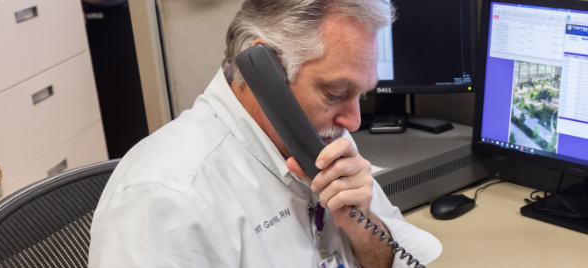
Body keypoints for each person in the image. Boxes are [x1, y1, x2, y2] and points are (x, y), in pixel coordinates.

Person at [87, 0, 441, 267]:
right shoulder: (166, 197)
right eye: (335, 94)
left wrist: (361, 226)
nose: (353, 121)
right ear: (263, 71)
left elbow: (392, 258)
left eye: (361, 95)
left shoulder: (324, 138)